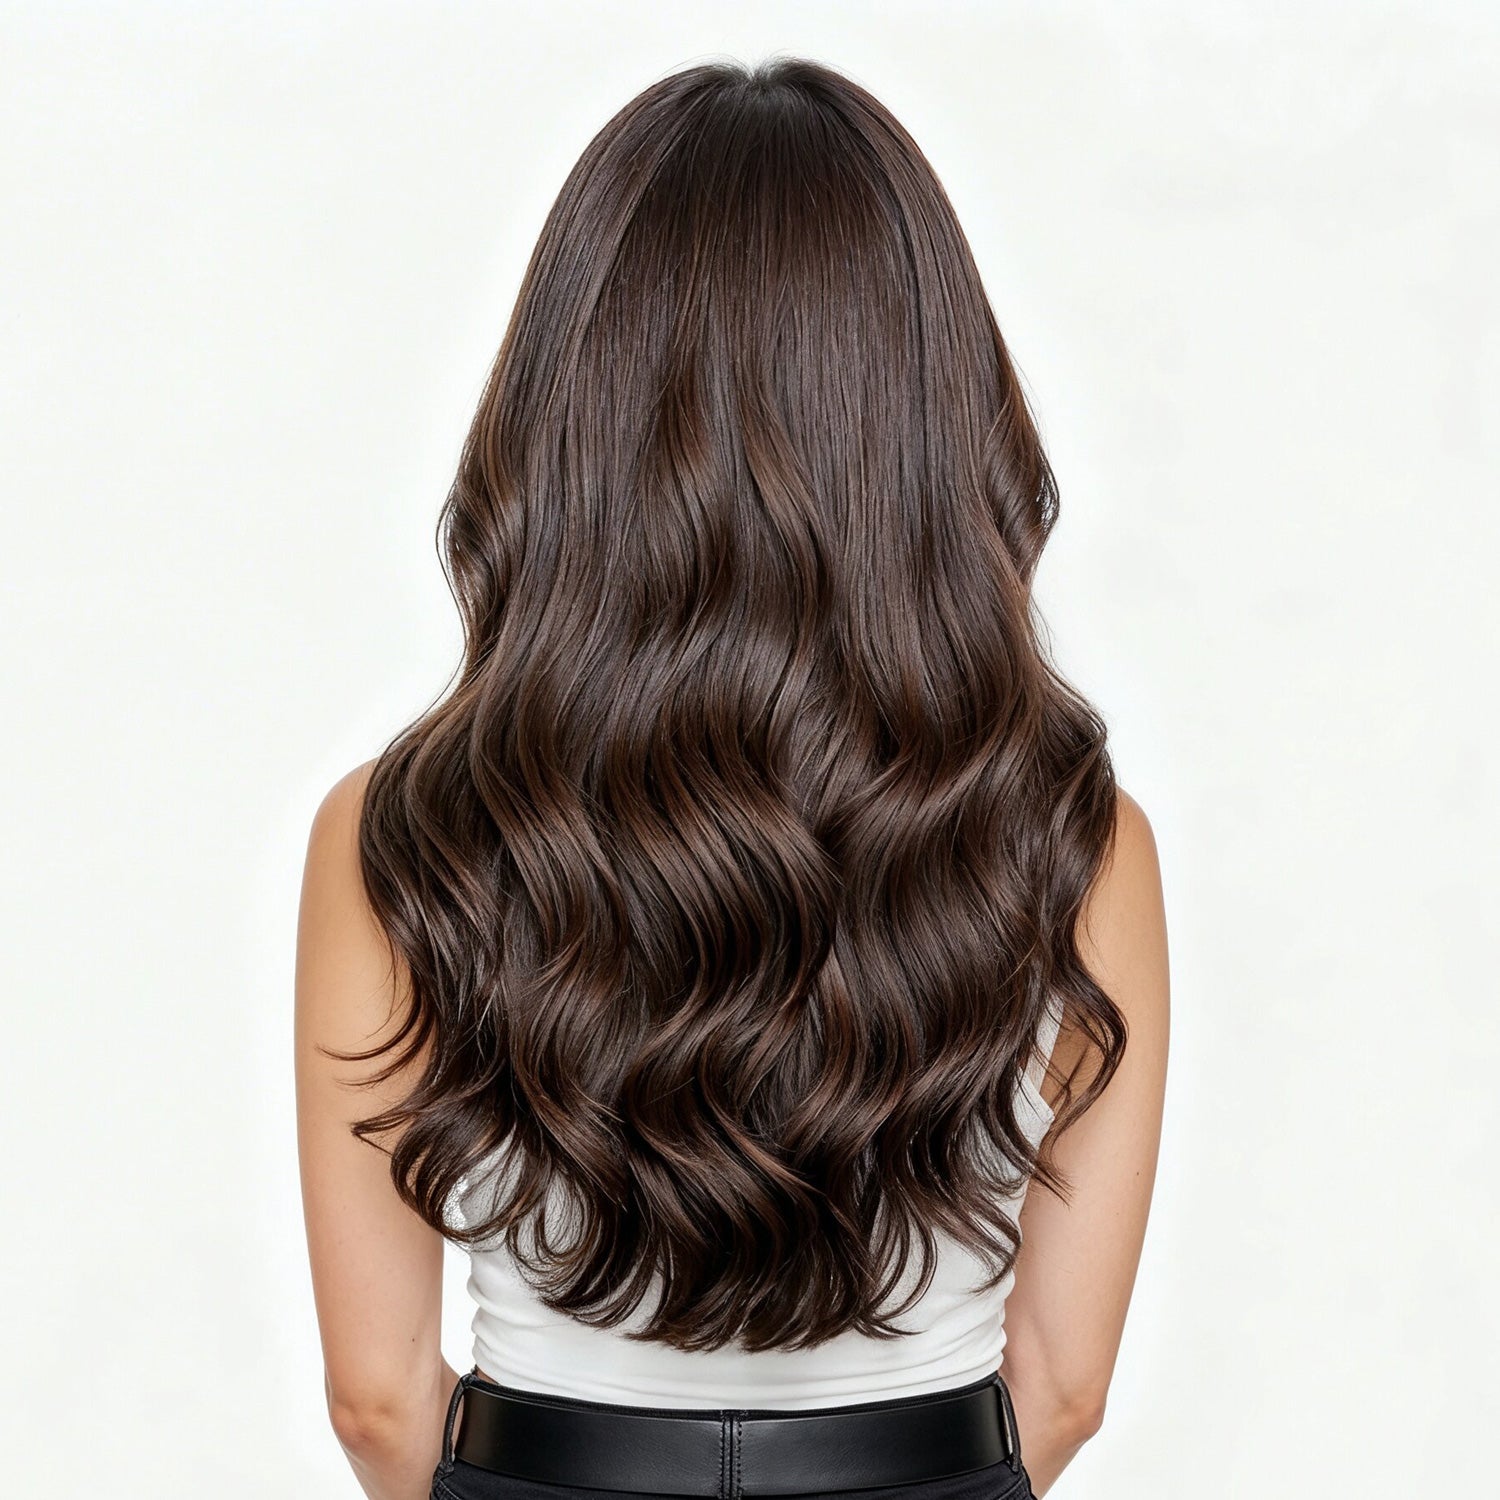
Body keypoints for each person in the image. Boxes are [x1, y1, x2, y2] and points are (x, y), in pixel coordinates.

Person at [295, 54, 1169, 1500]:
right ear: (930, 433)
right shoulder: (1078, 845)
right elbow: (1062, 1387)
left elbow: (379, 1403)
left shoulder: (398, 842)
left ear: (567, 423)